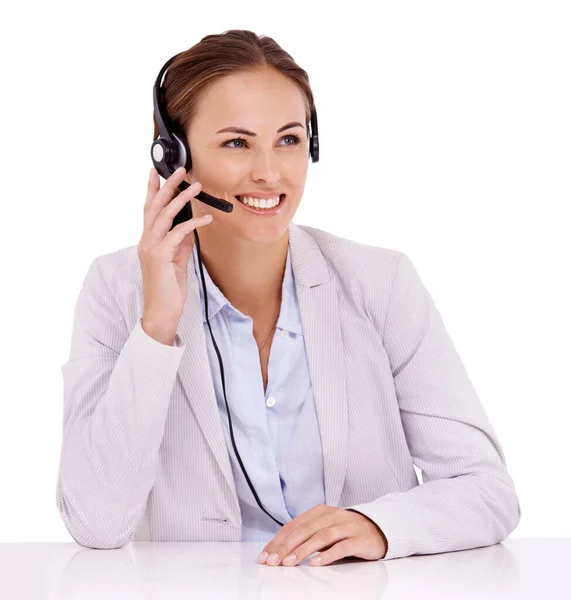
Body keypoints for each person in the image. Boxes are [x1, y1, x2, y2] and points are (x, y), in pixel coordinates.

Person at [55, 30, 522, 565]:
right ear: (172, 157)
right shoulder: (116, 292)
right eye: (236, 142)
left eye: (289, 139)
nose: (269, 172)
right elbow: (95, 522)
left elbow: (487, 489)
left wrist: (379, 526)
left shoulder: (382, 283)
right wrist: (158, 325)